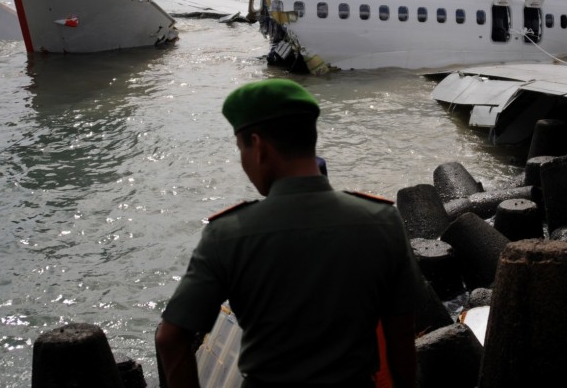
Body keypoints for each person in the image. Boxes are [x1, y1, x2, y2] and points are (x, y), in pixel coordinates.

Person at [156, 78, 418, 387]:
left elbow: (170, 338)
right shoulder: (383, 220)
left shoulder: (226, 235)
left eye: (241, 147)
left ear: (259, 147)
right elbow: (401, 333)